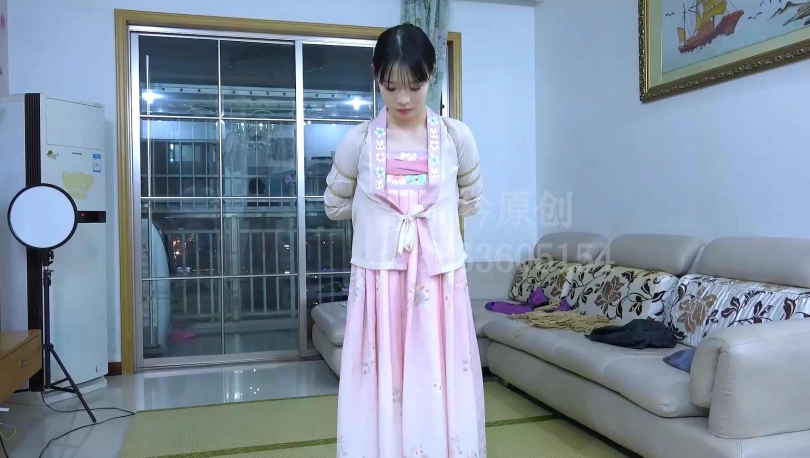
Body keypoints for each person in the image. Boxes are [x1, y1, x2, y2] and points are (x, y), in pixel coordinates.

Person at [324, 23, 485, 457]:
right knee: (382, 383)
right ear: (375, 76)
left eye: (415, 86)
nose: (404, 99)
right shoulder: (358, 141)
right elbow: (334, 205)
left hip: (437, 283)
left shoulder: (456, 137)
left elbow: (470, 200)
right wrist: (382, 221)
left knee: (438, 379)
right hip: (380, 285)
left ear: (433, 75)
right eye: (391, 87)